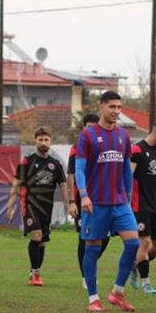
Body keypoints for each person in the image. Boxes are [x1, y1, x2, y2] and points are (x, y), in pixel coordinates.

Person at [76, 91, 140, 313]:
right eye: (112, 106)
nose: (116, 111)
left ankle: (117, 292)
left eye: (119, 107)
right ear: (101, 106)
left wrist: (128, 197)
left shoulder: (123, 135)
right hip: (96, 203)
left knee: (133, 244)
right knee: (92, 249)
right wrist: (83, 195)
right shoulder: (88, 135)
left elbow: (126, 169)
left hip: (120, 202)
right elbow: (79, 168)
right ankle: (93, 298)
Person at [7, 126, 69, 286]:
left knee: (42, 242)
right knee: (36, 235)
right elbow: (16, 185)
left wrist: (69, 204)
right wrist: (10, 207)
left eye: (46, 139)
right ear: (35, 141)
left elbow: (63, 185)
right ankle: (35, 274)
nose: (43, 142)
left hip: (47, 209)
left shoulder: (55, 164)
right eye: (40, 139)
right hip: (29, 206)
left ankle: (34, 272)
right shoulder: (27, 161)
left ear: (50, 141)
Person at [130, 118, 156, 294]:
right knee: (145, 242)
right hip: (140, 205)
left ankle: (135, 264)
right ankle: (146, 282)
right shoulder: (137, 150)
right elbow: (128, 176)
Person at [68, 113, 110, 289]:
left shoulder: (105, 147)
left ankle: (89, 262)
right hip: (83, 198)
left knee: (105, 237)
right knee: (84, 238)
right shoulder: (76, 148)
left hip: (103, 198)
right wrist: (72, 201)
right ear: (84, 128)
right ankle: (86, 276)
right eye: (89, 127)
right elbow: (71, 175)